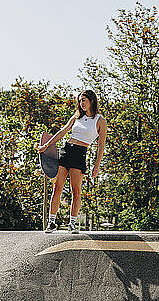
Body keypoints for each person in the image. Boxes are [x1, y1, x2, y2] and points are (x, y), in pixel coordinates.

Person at [38, 89, 108, 233]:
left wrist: (97, 166)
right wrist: (47, 145)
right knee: (57, 188)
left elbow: (101, 145)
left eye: (84, 100)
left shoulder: (100, 120)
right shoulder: (76, 116)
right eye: (80, 101)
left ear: (91, 101)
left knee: (76, 191)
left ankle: (72, 224)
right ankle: (51, 223)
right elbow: (63, 131)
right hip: (66, 151)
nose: (81, 103)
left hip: (80, 154)